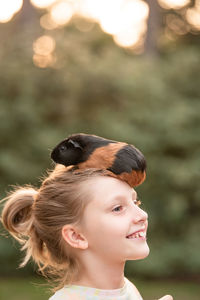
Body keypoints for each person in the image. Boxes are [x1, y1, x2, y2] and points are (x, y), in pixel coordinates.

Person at [0, 136, 173, 300]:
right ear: (76, 236)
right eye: (118, 208)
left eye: (136, 202)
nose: (142, 215)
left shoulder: (128, 290)